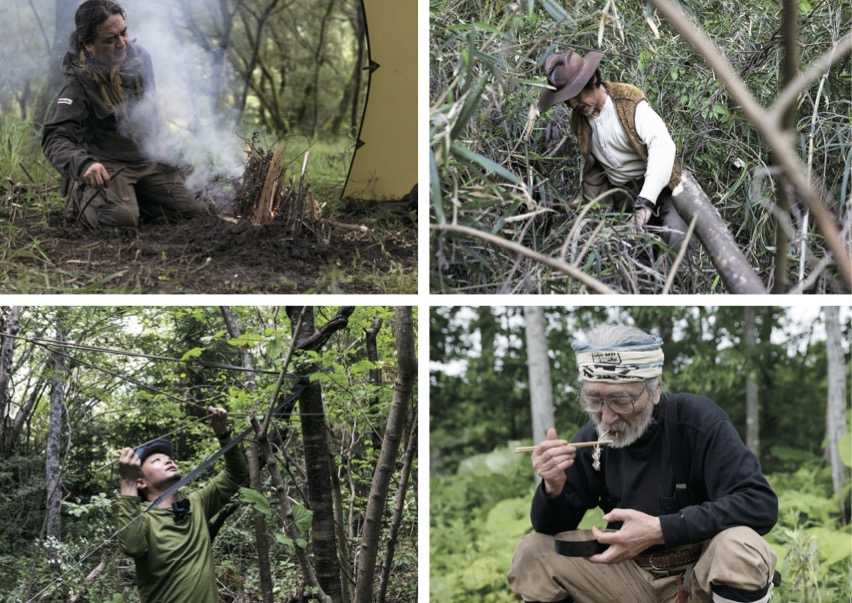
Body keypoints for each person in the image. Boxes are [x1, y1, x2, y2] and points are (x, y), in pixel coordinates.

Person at [508, 324, 779, 603]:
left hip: (699, 575)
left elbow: (759, 504)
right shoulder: (594, 439)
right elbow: (549, 528)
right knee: (533, 553)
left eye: (621, 400)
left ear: (656, 388)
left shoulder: (696, 422)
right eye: (594, 400)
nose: (607, 417)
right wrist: (553, 487)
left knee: (740, 548)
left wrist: (661, 529)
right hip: (625, 580)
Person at [42, 0, 209, 229]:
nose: (122, 44)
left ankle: (134, 198)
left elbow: (150, 108)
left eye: (124, 33)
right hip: (107, 165)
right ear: (89, 45)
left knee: (199, 208)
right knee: (119, 219)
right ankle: (83, 198)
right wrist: (83, 166)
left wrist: (161, 142)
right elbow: (55, 138)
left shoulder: (141, 59)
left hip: (145, 161)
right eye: (110, 40)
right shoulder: (78, 82)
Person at [539, 49, 692, 252]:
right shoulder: (579, 120)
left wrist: (645, 201)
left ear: (592, 79)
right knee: (620, 250)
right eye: (568, 100)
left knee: (677, 237)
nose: (574, 104)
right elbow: (595, 167)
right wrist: (583, 200)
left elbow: (662, 145)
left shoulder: (627, 102)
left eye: (576, 94)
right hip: (622, 195)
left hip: (661, 187)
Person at [116, 406, 247, 603]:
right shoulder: (141, 518)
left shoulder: (196, 503)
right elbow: (132, 547)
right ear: (141, 482)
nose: (168, 461)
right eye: (157, 461)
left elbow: (235, 474)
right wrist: (127, 482)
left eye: (169, 458)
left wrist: (223, 432)